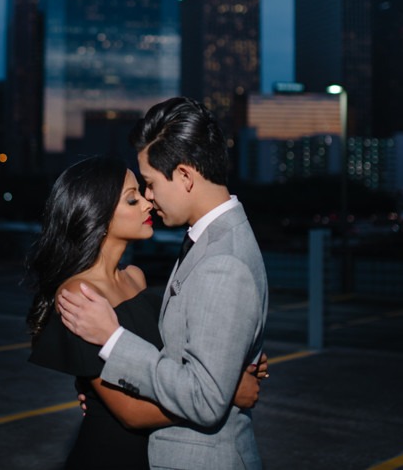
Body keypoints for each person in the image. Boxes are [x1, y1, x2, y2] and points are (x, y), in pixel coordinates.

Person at [57, 97, 270, 469]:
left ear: (185, 176)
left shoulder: (222, 262)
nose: (149, 197)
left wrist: (112, 340)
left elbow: (205, 401)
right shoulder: (212, 238)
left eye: (151, 183)